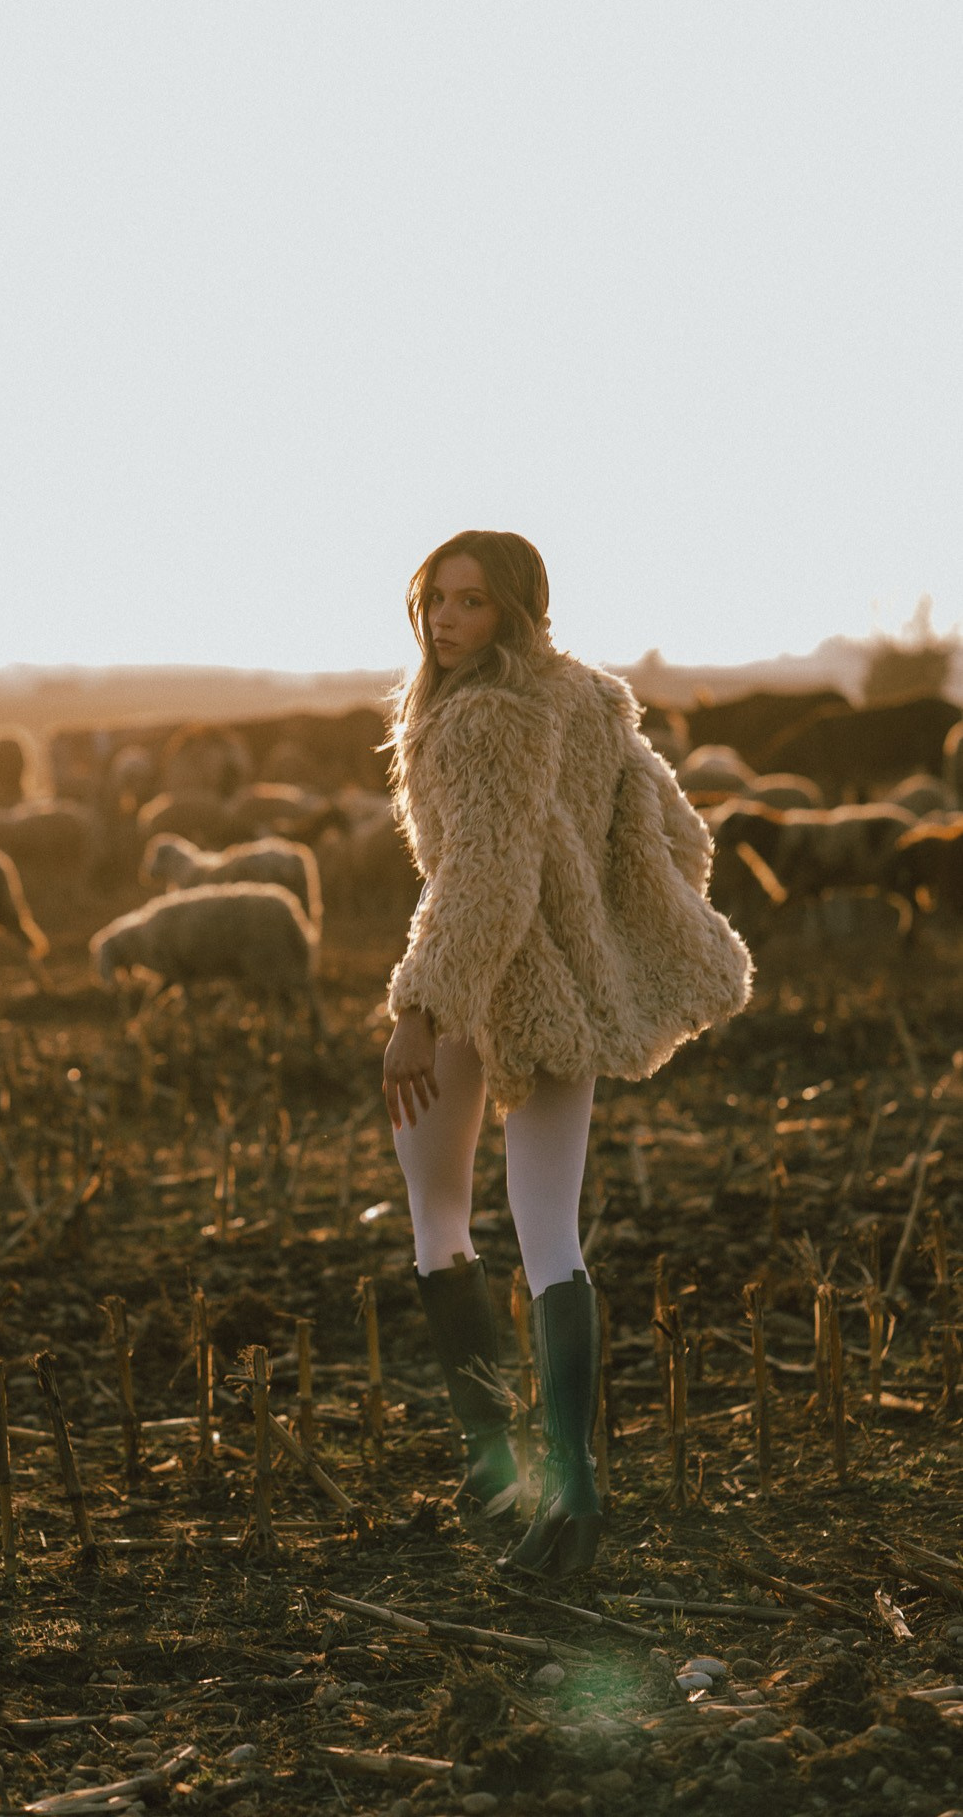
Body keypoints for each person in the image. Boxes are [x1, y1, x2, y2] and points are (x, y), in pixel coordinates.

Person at [382, 530, 752, 1577]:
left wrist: (419, 1004)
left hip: (477, 989)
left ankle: (500, 1459)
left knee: (443, 1216)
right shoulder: (592, 701)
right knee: (549, 1231)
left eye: (472, 603)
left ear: (516, 610)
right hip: (564, 995)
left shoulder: (481, 716)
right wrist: (596, 923)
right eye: (435, 601)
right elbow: (679, 836)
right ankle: (570, 1491)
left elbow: (484, 875)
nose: (447, 621)